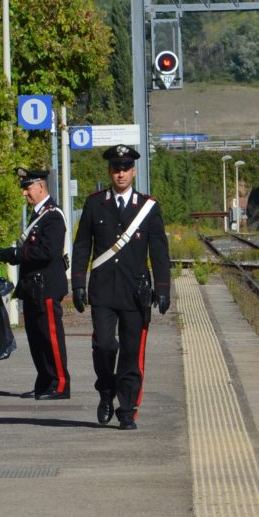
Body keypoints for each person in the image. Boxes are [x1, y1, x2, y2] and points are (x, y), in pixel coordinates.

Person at [71, 145, 171, 430]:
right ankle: (106, 391)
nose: (121, 173)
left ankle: (127, 410)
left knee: (131, 352)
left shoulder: (148, 207)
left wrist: (163, 288)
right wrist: (78, 284)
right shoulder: (95, 204)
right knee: (104, 345)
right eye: (116, 168)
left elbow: (159, 252)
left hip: (135, 292)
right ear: (109, 171)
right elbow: (82, 246)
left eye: (126, 168)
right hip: (102, 291)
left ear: (134, 171)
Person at [0, 168, 71, 400]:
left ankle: (60, 384)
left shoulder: (53, 215)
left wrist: (17, 254)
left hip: (47, 286)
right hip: (33, 287)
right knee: (36, 338)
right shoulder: (38, 215)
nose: (24, 193)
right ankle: (44, 382)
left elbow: (48, 252)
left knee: (50, 336)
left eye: (27, 188)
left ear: (40, 186)